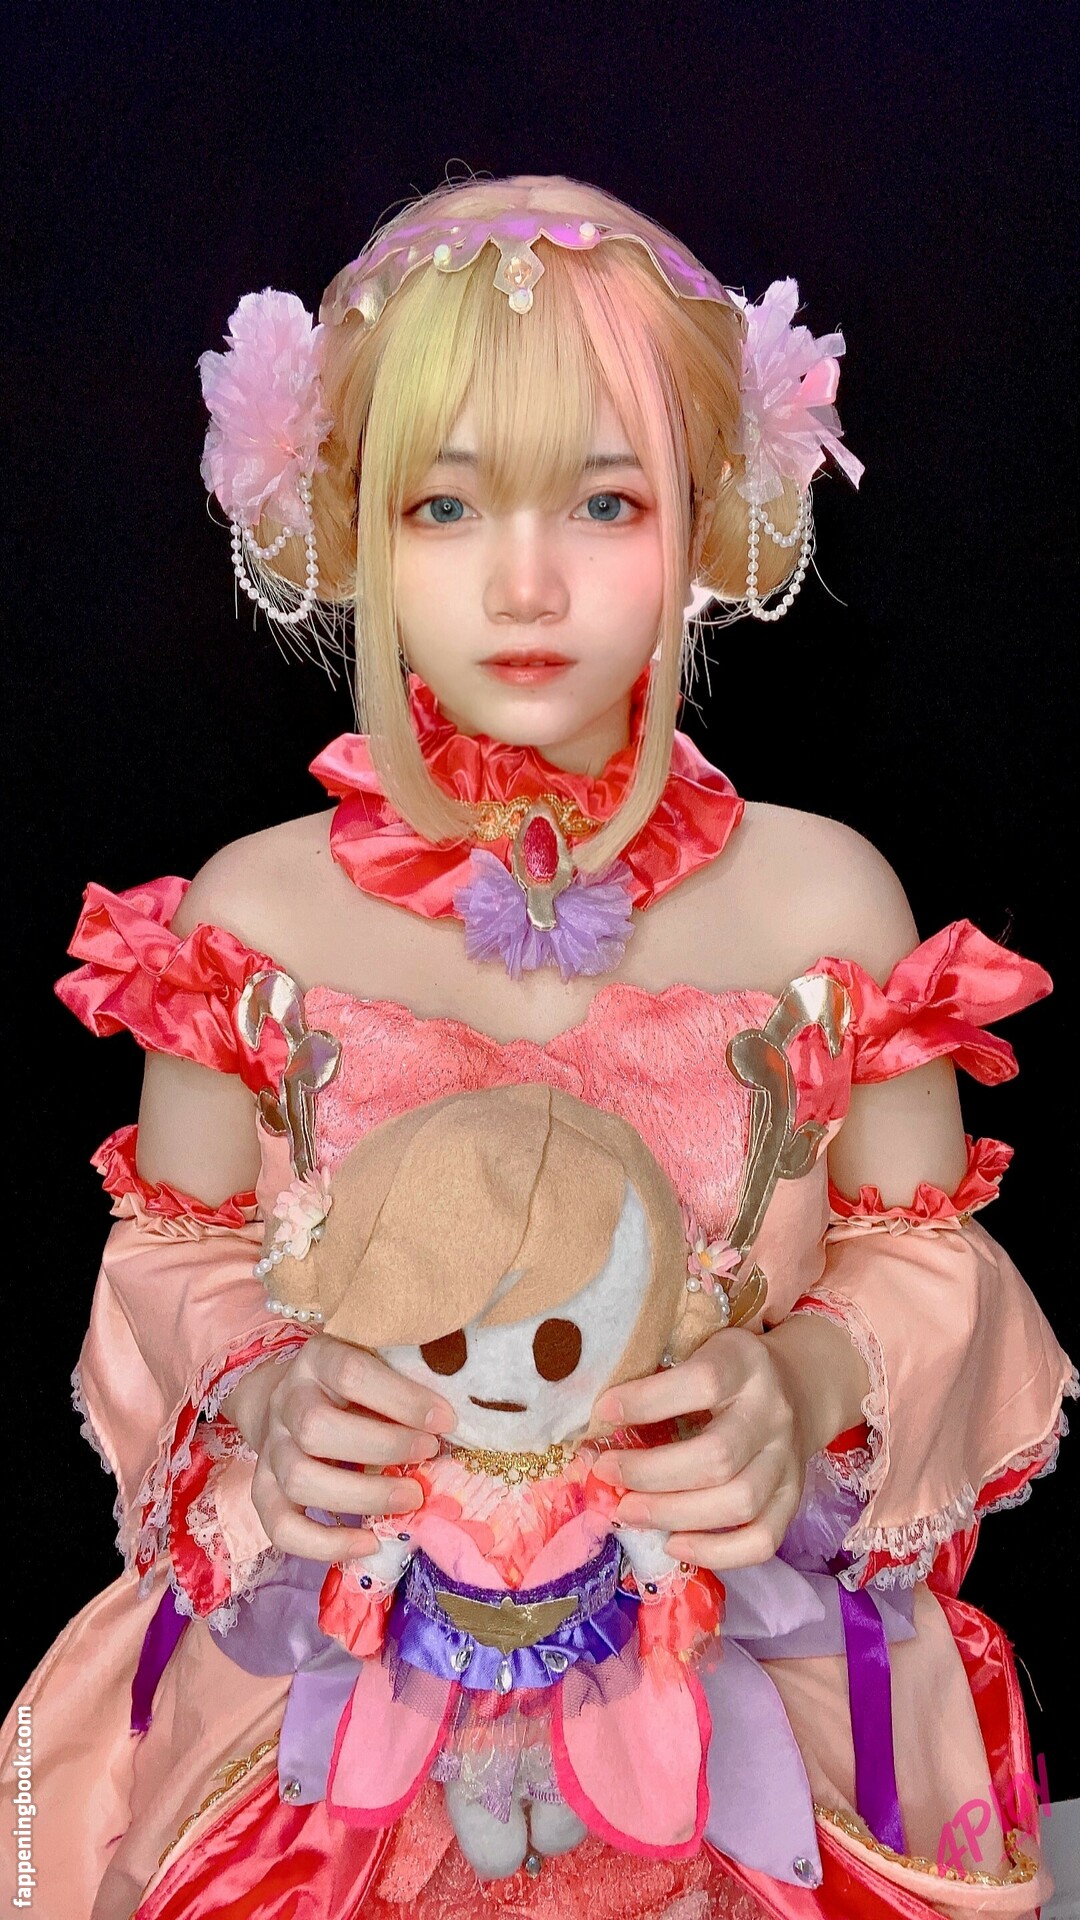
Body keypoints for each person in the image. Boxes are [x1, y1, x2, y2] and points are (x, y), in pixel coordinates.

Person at [2, 171, 1074, 1920]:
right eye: (444, 504)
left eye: (604, 499)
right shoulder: (245, 927)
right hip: (323, 1747)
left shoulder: (828, 906)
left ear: (706, 513)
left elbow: (926, 1261)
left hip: (745, 1733)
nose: (525, 579)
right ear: (350, 524)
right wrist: (264, 1394)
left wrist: (803, 1389)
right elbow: (172, 1262)